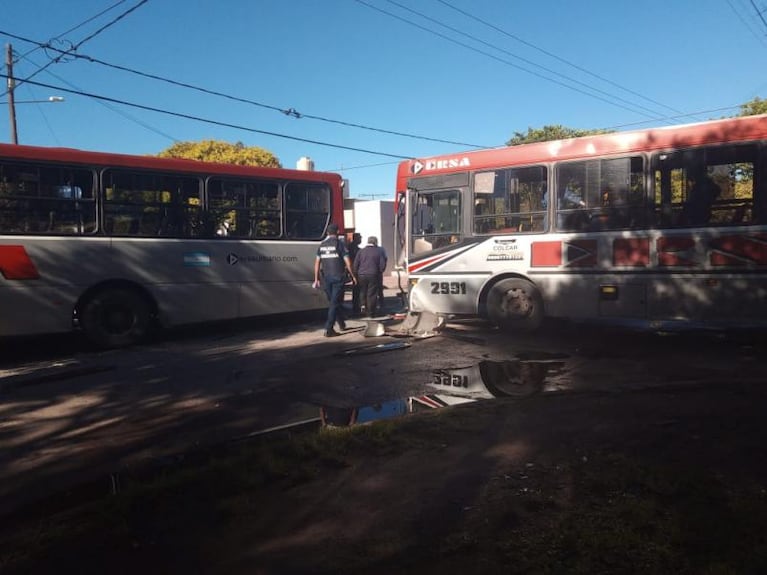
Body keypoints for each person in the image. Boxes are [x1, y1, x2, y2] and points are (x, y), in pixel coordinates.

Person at [314, 223, 356, 337]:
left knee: (334, 302)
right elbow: (347, 261)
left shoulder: (322, 245)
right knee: (334, 303)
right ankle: (329, 329)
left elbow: (317, 263)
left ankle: (341, 324)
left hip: (326, 278)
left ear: (327, 233)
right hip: (338, 277)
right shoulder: (340, 244)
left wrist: (316, 279)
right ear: (337, 232)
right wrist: (353, 275)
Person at [353, 235, 387, 318]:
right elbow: (382, 265)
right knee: (371, 293)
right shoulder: (378, 251)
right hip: (373, 274)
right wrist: (380, 272)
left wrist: (355, 273)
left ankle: (362, 305)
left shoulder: (361, 251)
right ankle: (371, 312)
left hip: (361, 275)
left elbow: (355, 264)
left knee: (362, 291)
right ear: (375, 242)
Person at [347, 233, 362, 316]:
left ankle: (356, 306)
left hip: (355, 270)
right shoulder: (352, 248)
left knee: (356, 289)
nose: (361, 239)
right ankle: (356, 307)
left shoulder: (356, 248)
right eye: (359, 238)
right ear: (355, 238)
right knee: (356, 289)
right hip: (354, 270)